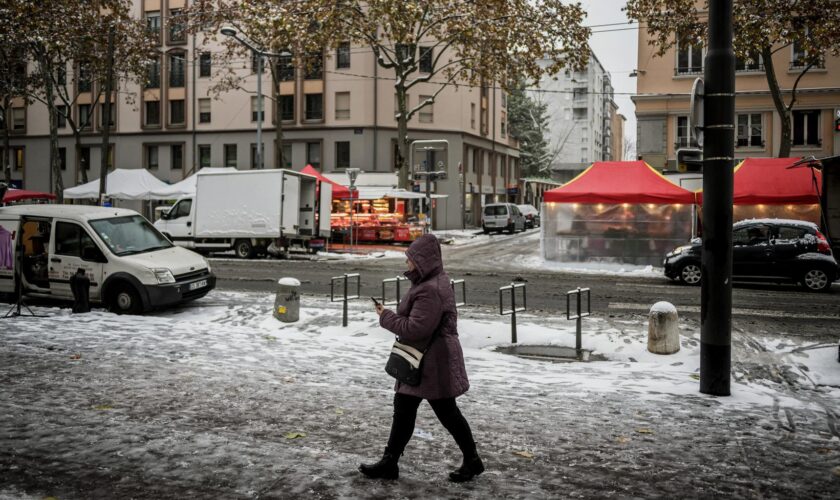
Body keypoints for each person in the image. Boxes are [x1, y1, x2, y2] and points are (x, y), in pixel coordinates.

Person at [359, 234, 483, 482]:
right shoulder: (428, 282)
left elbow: (416, 329)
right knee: (404, 408)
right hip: (424, 359)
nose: (407, 263)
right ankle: (390, 462)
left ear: (422, 261)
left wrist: (386, 316)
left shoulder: (430, 290)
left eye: (410, 259)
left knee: (447, 412)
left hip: (432, 361)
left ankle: (472, 460)